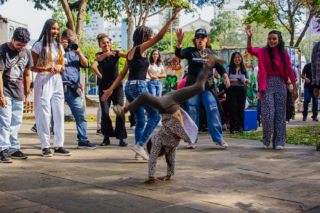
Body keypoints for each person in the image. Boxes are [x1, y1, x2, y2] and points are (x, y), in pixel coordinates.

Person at [112, 54, 220, 183]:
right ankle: (209, 64)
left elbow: (152, 158)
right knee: (200, 87)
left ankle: (123, 110)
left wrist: (151, 176)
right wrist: (169, 175)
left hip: (165, 105)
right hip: (173, 101)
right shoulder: (172, 146)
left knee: (145, 96)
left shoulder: (158, 140)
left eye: (163, 152)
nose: (168, 152)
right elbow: (171, 160)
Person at [101, 7, 182, 160]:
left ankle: (139, 152)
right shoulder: (141, 48)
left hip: (129, 88)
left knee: (140, 120)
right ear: (145, 37)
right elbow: (159, 37)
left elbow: (122, 75)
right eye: (150, 36)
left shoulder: (131, 52)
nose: (152, 39)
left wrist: (109, 90)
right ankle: (140, 145)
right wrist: (171, 19)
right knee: (154, 117)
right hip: (139, 87)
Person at [175, 27, 230, 149]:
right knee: (192, 111)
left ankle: (219, 139)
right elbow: (179, 54)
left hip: (207, 87)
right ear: (195, 40)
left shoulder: (211, 53)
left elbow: (220, 68)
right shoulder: (190, 51)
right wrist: (179, 42)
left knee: (213, 109)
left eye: (202, 38)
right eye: (197, 38)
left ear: (207, 40)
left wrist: (226, 77)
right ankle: (191, 139)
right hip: (193, 86)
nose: (200, 40)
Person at [246, 25, 297, 150]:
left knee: (280, 115)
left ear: (279, 40)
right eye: (269, 39)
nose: (271, 41)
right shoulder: (263, 52)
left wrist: (295, 87)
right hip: (267, 84)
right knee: (268, 114)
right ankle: (266, 140)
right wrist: (249, 37)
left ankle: (279, 141)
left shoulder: (284, 54)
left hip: (281, 84)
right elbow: (251, 50)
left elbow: (290, 71)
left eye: (274, 39)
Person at [31, 19, 71, 157]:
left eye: (57, 29)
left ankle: (59, 145)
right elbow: (32, 67)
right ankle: (45, 145)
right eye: (53, 28)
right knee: (44, 113)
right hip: (43, 79)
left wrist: (60, 67)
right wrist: (46, 68)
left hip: (57, 80)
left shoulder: (58, 46)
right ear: (46, 29)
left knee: (59, 112)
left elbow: (63, 66)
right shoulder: (37, 46)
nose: (56, 31)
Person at [0, 27, 33, 163]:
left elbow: (27, 74)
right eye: (18, 45)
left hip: (18, 92)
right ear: (12, 39)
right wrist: (1, 95)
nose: (20, 48)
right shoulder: (2, 50)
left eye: (23, 46)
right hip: (5, 90)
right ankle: (3, 148)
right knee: (5, 121)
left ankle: (13, 147)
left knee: (16, 121)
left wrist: (27, 94)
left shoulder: (26, 52)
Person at [61, 29, 96, 149]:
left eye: (72, 39)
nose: (70, 41)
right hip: (57, 88)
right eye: (67, 39)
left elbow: (86, 64)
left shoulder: (76, 51)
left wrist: (79, 52)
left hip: (72, 88)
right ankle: (53, 143)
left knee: (81, 115)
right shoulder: (56, 50)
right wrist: (61, 48)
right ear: (62, 38)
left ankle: (83, 139)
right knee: (53, 115)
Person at [91, 33, 128, 147]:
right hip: (104, 87)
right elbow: (93, 66)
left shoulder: (116, 53)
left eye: (108, 42)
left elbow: (127, 56)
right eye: (103, 43)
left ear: (110, 44)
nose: (106, 44)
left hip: (117, 86)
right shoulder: (99, 55)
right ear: (100, 45)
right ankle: (106, 137)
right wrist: (101, 76)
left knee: (119, 111)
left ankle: (121, 137)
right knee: (105, 112)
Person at [226, 52, 249, 134]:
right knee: (233, 109)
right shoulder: (228, 69)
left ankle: (240, 127)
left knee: (240, 108)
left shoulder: (244, 69)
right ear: (232, 59)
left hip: (241, 90)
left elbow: (248, 80)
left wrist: (245, 80)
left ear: (241, 58)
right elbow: (223, 80)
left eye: (239, 57)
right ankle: (233, 128)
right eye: (235, 58)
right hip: (231, 90)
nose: (237, 59)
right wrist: (233, 80)